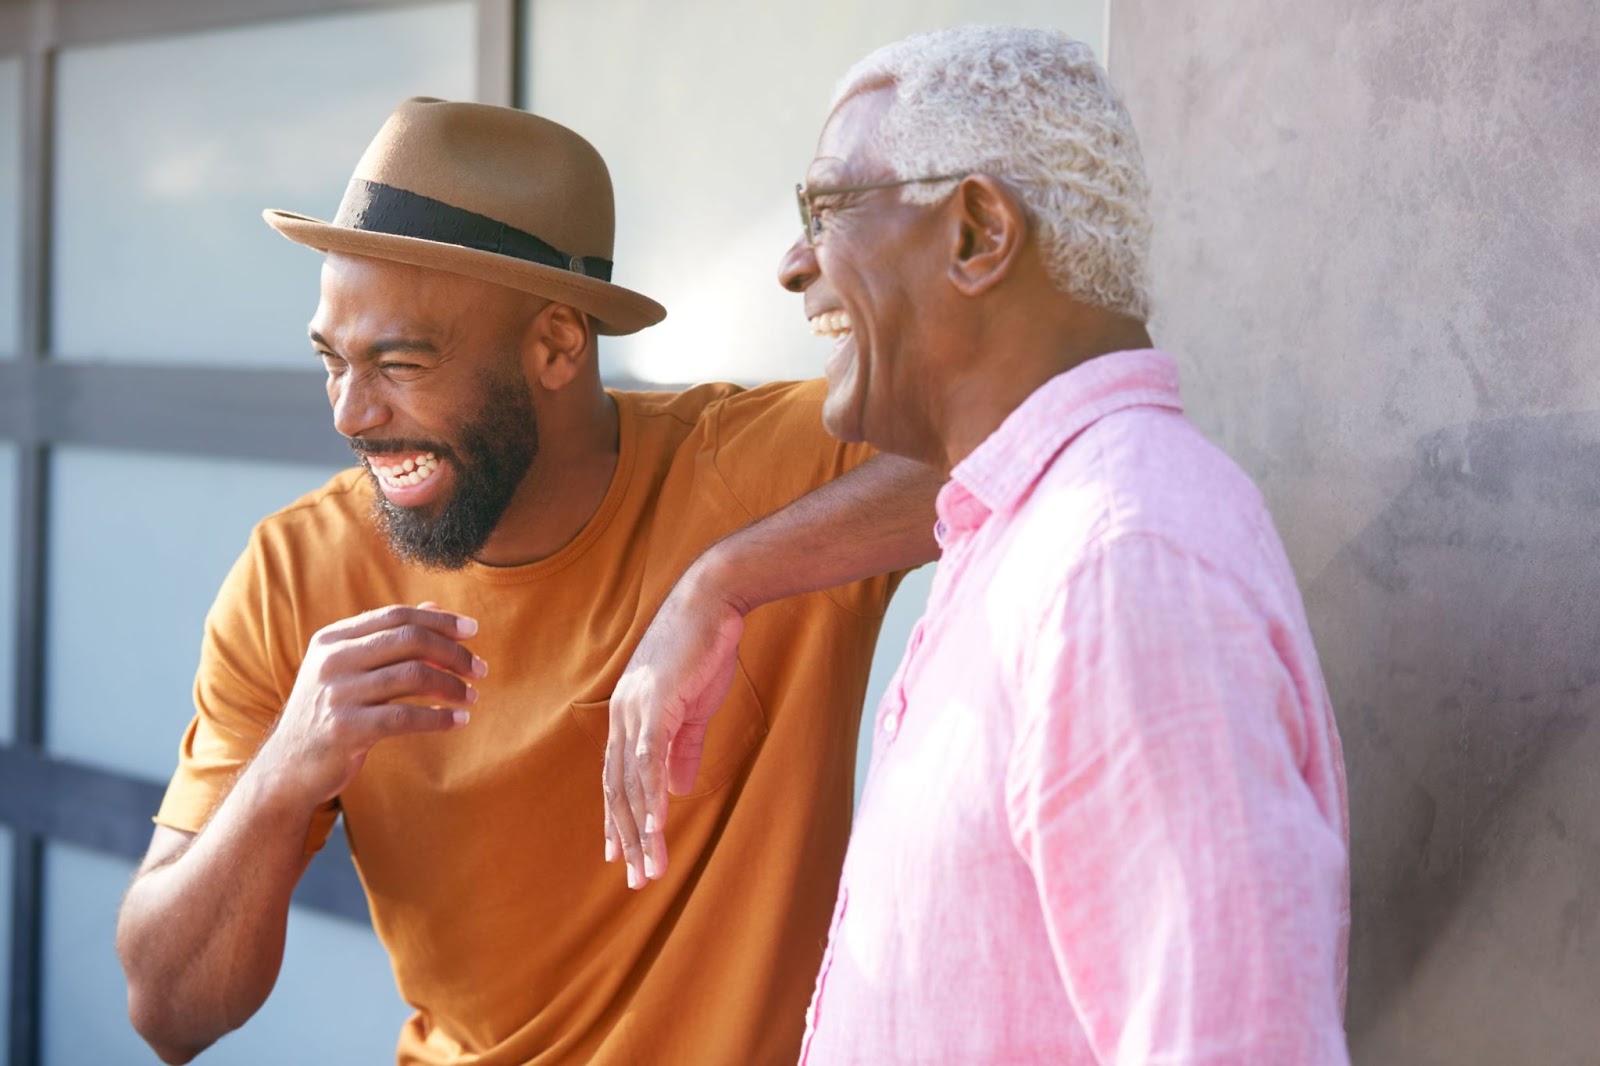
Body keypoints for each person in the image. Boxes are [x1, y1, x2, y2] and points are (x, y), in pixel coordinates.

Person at [114, 97, 940, 1066]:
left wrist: (723, 580)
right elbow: (170, 1012)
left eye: (400, 361)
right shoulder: (296, 573)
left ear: (556, 344)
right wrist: (283, 774)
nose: (349, 410)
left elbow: (1042, 409)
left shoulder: (748, 476)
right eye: (331, 359)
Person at [610, 25, 1352, 1064]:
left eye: (824, 209)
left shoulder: (1117, 563)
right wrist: (721, 580)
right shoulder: (1037, 533)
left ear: (974, 233)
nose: (792, 264)